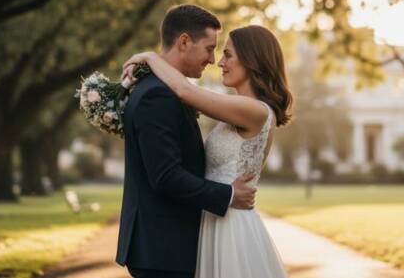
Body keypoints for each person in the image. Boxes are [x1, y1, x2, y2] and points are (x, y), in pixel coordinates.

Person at [123, 19, 292, 278]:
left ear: (252, 60)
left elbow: (183, 90)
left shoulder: (255, 110)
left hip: (230, 224)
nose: (219, 62)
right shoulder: (237, 108)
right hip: (214, 218)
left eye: (227, 54)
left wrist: (149, 57)